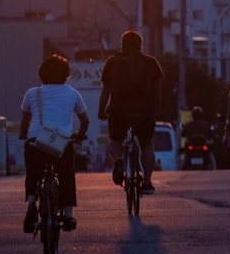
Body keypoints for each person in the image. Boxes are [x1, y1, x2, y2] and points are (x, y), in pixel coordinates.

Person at [19, 54, 89, 233]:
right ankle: (67, 215)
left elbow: (25, 120)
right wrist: (79, 135)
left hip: (36, 142)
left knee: (33, 174)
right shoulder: (73, 93)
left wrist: (23, 135)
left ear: (41, 74)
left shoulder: (32, 93)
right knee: (66, 176)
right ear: (66, 74)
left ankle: (32, 205)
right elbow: (85, 121)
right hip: (62, 144)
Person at [98, 30, 164, 194]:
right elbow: (157, 90)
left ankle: (119, 160)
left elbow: (105, 91)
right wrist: (156, 109)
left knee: (115, 141)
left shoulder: (112, 62)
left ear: (122, 45)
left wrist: (101, 111)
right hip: (144, 111)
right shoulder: (151, 62)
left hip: (118, 110)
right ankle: (147, 182)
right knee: (146, 145)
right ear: (140, 45)